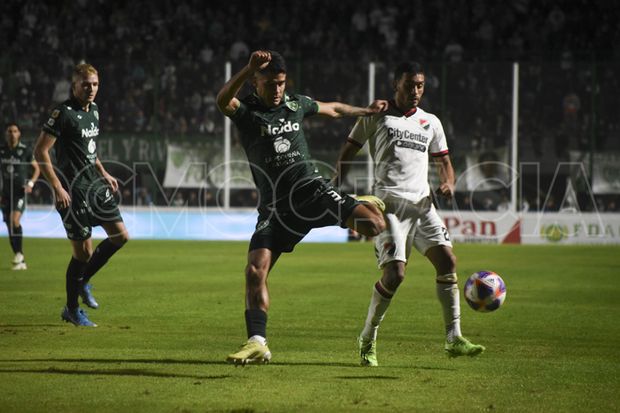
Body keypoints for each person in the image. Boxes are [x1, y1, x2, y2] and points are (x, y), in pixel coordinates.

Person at [216, 50, 387, 365]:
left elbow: (332, 108)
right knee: (255, 271)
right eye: (270, 84)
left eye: (281, 83)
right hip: (275, 208)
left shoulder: (295, 104)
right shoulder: (247, 111)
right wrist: (246, 68)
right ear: (255, 83)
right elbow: (222, 100)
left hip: (312, 190)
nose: (278, 90)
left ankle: (360, 203)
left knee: (375, 225)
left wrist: (365, 110)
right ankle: (257, 342)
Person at [335, 61, 485, 366]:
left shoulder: (431, 122)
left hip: (422, 206)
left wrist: (448, 182)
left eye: (420, 85)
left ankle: (454, 339)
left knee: (448, 261)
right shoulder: (376, 115)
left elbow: (444, 162)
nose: (415, 91)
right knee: (396, 274)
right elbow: (349, 149)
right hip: (388, 207)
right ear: (395, 85)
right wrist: (336, 184)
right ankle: (367, 338)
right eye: (409, 85)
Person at [34, 63, 129, 327]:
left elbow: (90, 149)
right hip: (72, 189)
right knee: (83, 253)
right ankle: (72, 308)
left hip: (94, 185)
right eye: (85, 84)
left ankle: (83, 281)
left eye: (95, 84)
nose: (91, 89)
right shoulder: (62, 113)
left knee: (120, 236)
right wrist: (57, 186)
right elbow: (40, 151)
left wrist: (104, 172)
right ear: (74, 85)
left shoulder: (95, 111)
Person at [0, 123, 40, 270]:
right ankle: (20, 257)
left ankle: (19, 255)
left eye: (15, 131)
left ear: (19, 134)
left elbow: (37, 169)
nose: (12, 133)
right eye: (9, 131)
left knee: (14, 220)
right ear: (5, 134)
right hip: (5, 194)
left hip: (19, 192)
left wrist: (30, 184)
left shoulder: (25, 151)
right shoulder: (2, 150)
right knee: (9, 225)